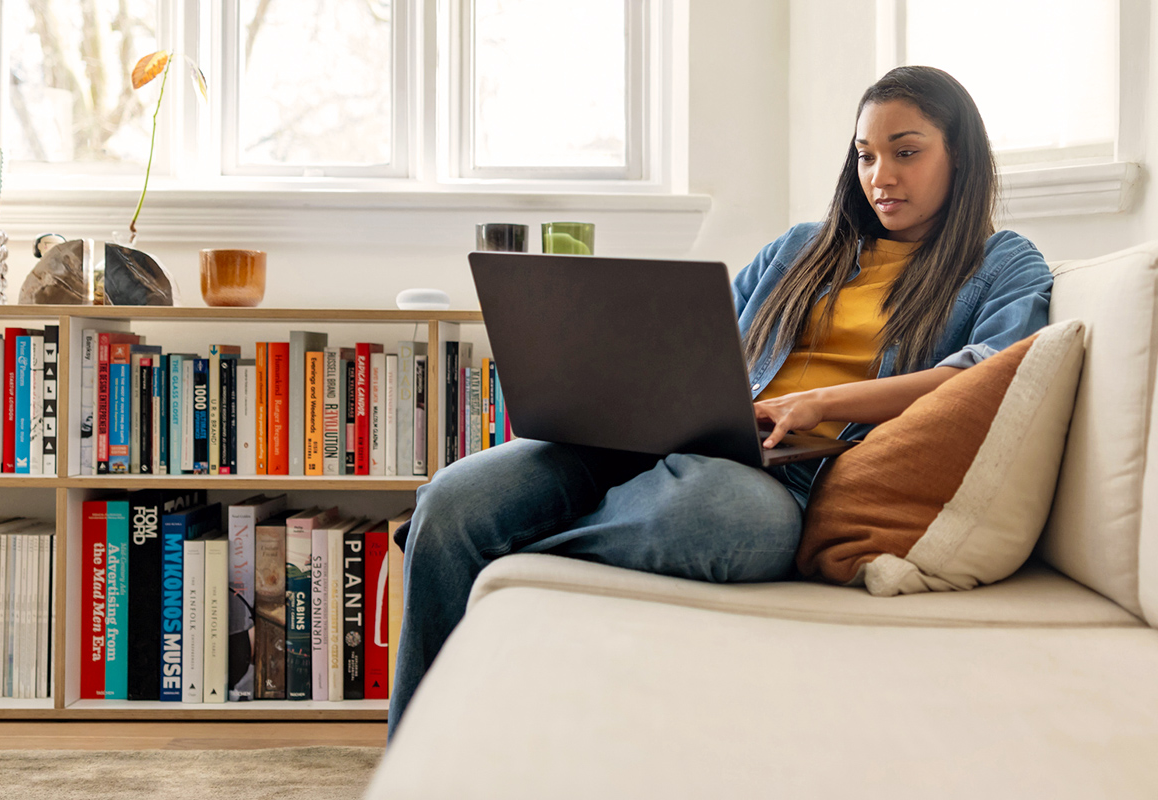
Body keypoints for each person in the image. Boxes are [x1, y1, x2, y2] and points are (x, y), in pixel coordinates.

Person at [386, 65, 1053, 739]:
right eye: (866, 155)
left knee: (729, 520)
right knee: (452, 498)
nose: (881, 176)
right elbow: (701, 341)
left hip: (778, 475)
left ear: (960, 154)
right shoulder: (798, 249)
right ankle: (417, 760)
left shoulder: (1002, 263)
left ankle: (498, 559)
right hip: (666, 436)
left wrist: (824, 402)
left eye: (906, 152)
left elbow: (984, 373)